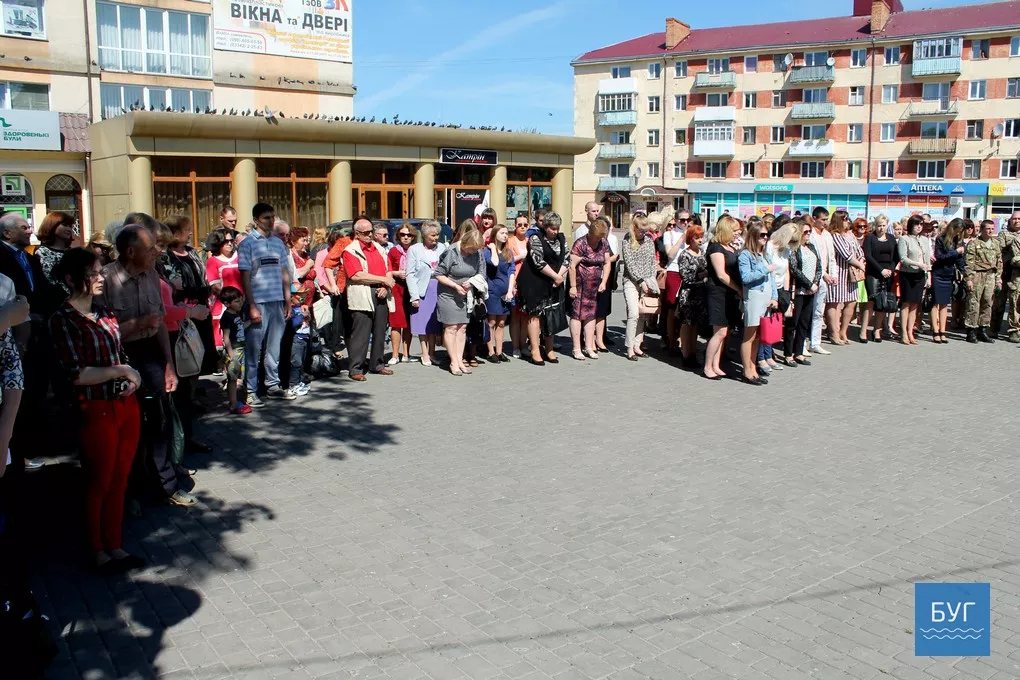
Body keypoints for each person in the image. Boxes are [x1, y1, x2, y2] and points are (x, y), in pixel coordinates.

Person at [49, 248, 146, 571]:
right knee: (99, 480)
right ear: (71, 279)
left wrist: (130, 376)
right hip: (95, 408)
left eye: (100, 271)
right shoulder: (62, 320)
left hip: (125, 404)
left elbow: (120, 354)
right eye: (93, 273)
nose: (100, 277)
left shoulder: (104, 312)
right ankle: (97, 549)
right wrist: (122, 371)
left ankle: (115, 544)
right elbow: (76, 374)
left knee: (120, 478)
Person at [96, 224, 195, 507]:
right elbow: (102, 333)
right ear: (130, 251)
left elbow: (160, 323)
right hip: (120, 358)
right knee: (129, 428)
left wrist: (168, 365)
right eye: (150, 248)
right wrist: (138, 323)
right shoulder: (105, 280)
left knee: (158, 421)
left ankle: (166, 485)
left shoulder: (152, 274)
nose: (157, 253)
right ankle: (131, 491)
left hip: (151, 353)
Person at [154, 222, 210, 458]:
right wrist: (189, 311)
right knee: (174, 396)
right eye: (157, 245)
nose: (160, 249)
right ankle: (175, 449)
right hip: (166, 335)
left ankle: (185, 440)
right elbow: (160, 311)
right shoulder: (151, 271)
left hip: (177, 330)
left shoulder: (158, 267)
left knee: (184, 392)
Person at [236, 203, 294, 405]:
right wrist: (251, 305)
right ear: (256, 220)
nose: (270, 221)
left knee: (274, 348)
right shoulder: (247, 244)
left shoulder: (278, 243)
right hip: (258, 302)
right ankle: (251, 390)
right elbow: (245, 277)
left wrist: (288, 300)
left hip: (277, 301)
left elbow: (284, 273)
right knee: (254, 350)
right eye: (266, 218)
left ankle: (272, 385)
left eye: (272, 217)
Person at [342, 217, 395, 381]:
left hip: (381, 290)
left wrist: (386, 285)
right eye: (365, 233)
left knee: (380, 331)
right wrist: (383, 280)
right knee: (361, 333)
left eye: (371, 231)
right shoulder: (350, 250)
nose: (369, 235)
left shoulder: (379, 248)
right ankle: (356, 368)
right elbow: (356, 275)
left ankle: (377, 364)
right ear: (357, 233)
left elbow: (388, 269)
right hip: (363, 292)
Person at [515, 212, 569, 365]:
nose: (555, 231)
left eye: (557, 228)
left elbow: (567, 258)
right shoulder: (535, 238)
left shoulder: (561, 238)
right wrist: (556, 277)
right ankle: (535, 349)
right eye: (552, 228)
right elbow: (538, 261)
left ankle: (549, 349)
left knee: (551, 315)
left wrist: (559, 276)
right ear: (545, 227)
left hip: (555, 281)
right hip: (535, 281)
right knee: (535, 315)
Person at [434, 226, 485, 376]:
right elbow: (438, 274)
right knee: (451, 328)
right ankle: (453, 362)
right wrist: (455, 286)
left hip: (465, 295)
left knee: (462, 328)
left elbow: (481, 273)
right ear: (465, 243)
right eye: (471, 249)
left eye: (476, 249)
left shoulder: (477, 253)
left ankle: (460, 359)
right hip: (448, 294)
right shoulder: (452, 251)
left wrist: (472, 282)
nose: (473, 252)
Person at [737, 222, 778, 386]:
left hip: (766, 298)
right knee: (750, 336)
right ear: (753, 235)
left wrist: (774, 297)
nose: (765, 238)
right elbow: (746, 278)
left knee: (759, 337)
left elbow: (772, 279)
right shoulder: (745, 255)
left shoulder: (765, 255)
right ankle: (747, 370)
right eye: (762, 235)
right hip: (754, 296)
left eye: (767, 235)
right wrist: (765, 269)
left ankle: (753, 368)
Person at [703, 216, 742, 380]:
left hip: (729, 294)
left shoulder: (729, 247)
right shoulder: (716, 247)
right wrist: (738, 288)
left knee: (724, 332)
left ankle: (716, 365)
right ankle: (707, 366)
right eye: (735, 230)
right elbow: (721, 275)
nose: (738, 233)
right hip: (718, 293)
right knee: (719, 332)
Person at [567, 217, 610, 361]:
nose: (598, 241)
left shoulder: (603, 242)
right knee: (577, 315)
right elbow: (572, 266)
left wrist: (604, 281)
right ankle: (576, 348)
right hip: (580, 285)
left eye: (600, 238)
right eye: (597, 238)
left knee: (591, 315)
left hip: (595, 286)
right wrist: (573, 286)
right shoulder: (580, 243)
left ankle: (589, 346)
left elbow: (607, 262)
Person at [406, 221, 446, 367]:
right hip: (422, 289)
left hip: (439, 288)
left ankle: (432, 352)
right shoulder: (414, 249)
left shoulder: (442, 247)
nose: (436, 238)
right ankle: (424, 353)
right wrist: (414, 296)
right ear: (424, 235)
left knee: (434, 323)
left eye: (437, 235)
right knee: (422, 323)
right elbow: (410, 274)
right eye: (433, 235)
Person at [620, 214, 658, 362]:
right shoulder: (627, 239)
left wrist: (651, 279)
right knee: (633, 314)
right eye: (641, 230)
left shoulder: (649, 240)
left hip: (647, 281)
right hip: (631, 281)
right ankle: (629, 347)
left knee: (643, 315)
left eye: (646, 231)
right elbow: (629, 263)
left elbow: (653, 262)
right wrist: (640, 280)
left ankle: (637, 345)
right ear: (634, 227)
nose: (644, 233)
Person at [761, 223, 795, 375]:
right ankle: (762, 356)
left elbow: (786, 272)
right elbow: (769, 271)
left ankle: (769, 355)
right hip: (768, 289)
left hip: (780, 289)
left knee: (774, 323)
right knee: (765, 323)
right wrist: (773, 294)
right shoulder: (769, 247)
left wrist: (786, 294)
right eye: (791, 240)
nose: (792, 244)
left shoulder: (786, 250)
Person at [828, 213, 866, 345]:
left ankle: (843, 331)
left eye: (848, 219)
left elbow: (860, 251)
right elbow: (846, 255)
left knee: (852, 301)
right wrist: (860, 264)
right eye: (844, 220)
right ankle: (834, 332)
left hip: (852, 274)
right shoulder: (835, 236)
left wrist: (861, 260)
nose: (847, 222)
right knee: (836, 302)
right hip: (840, 273)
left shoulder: (850, 235)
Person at [787, 221, 821, 365]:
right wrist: (809, 284)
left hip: (811, 291)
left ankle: (799, 352)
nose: (808, 234)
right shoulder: (794, 248)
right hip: (798, 290)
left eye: (809, 232)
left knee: (804, 322)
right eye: (805, 232)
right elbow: (794, 269)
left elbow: (819, 266)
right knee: (793, 323)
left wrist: (815, 283)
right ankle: (788, 353)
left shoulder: (811, 247)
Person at [674, 225, 707, 369]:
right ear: (690, 238)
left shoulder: (702, 252)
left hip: (700, 293)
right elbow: (685, 277)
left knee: (696, 326)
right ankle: (686, 354)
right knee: (687, 324)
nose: (700, 240)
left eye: (701, 237)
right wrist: (701, 275)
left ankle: (693, 353)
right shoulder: (684, 255)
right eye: (696, 237)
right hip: (688, 294)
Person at [896, 215, 932, 345]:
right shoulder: (904, 239)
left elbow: (927, 259)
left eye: (921, 224)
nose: (919, 227)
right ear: (911, 225)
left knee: (915, 304)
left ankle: (911, 331)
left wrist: (928, 276)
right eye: (917, 224)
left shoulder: (924, 240)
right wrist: (918, 264)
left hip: (920, 275)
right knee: (906, 303)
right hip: (908, 274)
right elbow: (903, 258)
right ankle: (904, 333)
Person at [929, 219, 967, 344]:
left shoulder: (958, 240)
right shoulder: (941, 239)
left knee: (945, 303)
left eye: (960, 231)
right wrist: (956, 252)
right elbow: (940, 257)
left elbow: (960, 259)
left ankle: (943, 330)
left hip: (949, 274)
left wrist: (963, 272)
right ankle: (935, 330)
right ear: (952, 228)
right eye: (957, 231)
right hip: (938, 273)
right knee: (936, 302)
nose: (958, 233)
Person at [964, 220, 1002, 343]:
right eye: (988, 228)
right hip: (977, 275)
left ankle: (983, 329)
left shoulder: (995, 243)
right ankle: (971, 331)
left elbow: (999, 263)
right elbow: (969, 262)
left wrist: (998, 279)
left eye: (992, 228)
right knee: (973, 302)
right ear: (982, 229)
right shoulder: (974, 243)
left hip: (990, 275)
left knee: (987, 302)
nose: (990, 231)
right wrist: (969, 279)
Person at [862, 217, 898, 343]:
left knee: (882, 302)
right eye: (879, 225)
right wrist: (881, 270)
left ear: (887, 225)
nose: (881, 228)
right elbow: (868, 256)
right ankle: (863, 331)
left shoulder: (891, 238)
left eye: (883, 225)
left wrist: (890, 270)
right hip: (873, 273)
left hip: (888, 274)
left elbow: (896, 257)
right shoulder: (870, 238)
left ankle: (877, 330)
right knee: (871, 302)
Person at [485, 224, 516, 362]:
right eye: (502, 233)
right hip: (492, 291)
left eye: (506, 233)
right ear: (494, 234)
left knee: (502, 322)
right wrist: (493, 248)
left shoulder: (508, 253)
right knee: (491, 322)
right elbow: (494, 263)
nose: (505, 235)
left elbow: (511, 272)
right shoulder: (487, 251)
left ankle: (499, 351)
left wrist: (510, 290)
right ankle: (490, 351)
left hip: (505, 292)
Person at [218, 286, 252, 413]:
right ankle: (233, 404)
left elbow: (240, 327)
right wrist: (230, 354)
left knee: (237, 377)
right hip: (234, 351)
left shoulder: (236, 314)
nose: (240, 303)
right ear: (227, 303)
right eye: (237, 301)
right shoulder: (226, 317)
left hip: (241, 349)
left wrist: (251, 322)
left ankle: (237, 401)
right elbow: (226, 337)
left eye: (241, 300)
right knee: (232, 379)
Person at [204, 229, 239, 352]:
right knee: (224, 343)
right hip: (224, 306)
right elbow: (215, 287)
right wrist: (231, 302)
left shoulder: (239, 257)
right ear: (218, 243)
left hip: (242, 305)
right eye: (226, 241)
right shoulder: (212, 261)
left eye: (231, 240)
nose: (229, 243)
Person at [807, 208, 836, 355]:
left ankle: (815, 342)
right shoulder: (810, 234)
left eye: (827, 219)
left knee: (819, 311)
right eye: (823, 219)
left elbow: (831, 257)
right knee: (807, 311)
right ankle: (803, 342)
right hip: (812, 277)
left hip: (824, 278)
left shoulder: (827, 235)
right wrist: (823, 274)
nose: (826, 222)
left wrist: (833, 274)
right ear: (815, 219)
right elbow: (814, 258)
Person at [660, 210, 689, 355]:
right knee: (672, 307)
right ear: (676, 220)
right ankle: (671, 341)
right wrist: (682, 239)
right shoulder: (669, 234)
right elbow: (670, 254)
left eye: (687, 220)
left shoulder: (691, 232)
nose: (685, 223)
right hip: (674, 270)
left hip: (688, 272)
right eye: (682, 220)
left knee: (685, 308)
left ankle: (682, 341)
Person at [387, 224, 415, 365]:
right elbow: (387, 269)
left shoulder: (416, 250)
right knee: (396, 322)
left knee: (409, 323)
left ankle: (406, 354)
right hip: (397, 288)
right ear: (398, 236)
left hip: (412, 289)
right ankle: (395, 355)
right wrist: (396, 273)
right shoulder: (393, 251)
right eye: (403, 234)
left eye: (409, 235)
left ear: (413, 237)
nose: (405, 237)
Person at [991, 210, 1020, 341]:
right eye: (1014, 219)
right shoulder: (1004, 234)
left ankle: (1014, 330)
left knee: (1015, 303)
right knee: (998, 304)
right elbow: (998, 249)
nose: (1017, 221)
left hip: (1017, 275)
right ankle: (993, 328)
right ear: (1010, 220)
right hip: (1003, 273)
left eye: (1019, 219)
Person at [594, 216, 620, 352]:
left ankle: (601, 338)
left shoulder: (609, 240)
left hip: (606, 278)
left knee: (602, 310)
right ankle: (589, 339)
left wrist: (613, 279)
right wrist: (610, 259)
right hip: (593, 279)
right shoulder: (589, 241)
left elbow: (611, 261)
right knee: (592, 311)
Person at [506, 214, 530, 357]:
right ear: (515, 226)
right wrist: (520, 257)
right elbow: (506, 259)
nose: (522, 227)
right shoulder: (510, 241)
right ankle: (515, 347)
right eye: (519, 224)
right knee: (515, 316)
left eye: (525, 225)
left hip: (528, 282)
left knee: (525, 316)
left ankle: (524, 345)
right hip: (514, 281)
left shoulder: (530, 241)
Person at [34, 211, 76, 289]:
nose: (69, 229)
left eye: (70, 226)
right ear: (51, 226)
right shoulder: (42, 253)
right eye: (64, 225)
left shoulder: (74, 253)